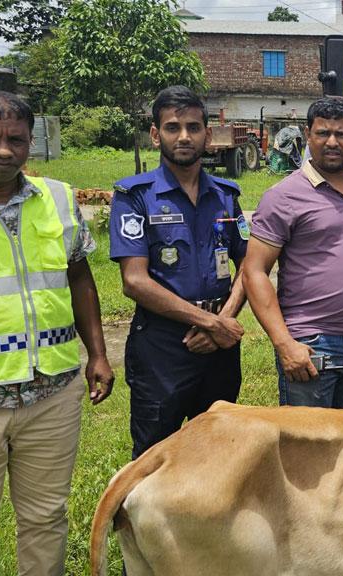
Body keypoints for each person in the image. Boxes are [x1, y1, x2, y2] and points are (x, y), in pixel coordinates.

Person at [0, 90, 114, 575]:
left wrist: (97, 354)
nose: (3, 150)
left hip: (52, 394)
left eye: (16, 139)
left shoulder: (57, 197)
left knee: (45, 519)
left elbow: (79, 276)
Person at [110, 86, 247, 458]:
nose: (184, 136)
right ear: (155, 135)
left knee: (218, 452)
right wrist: (210, 323)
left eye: (193, 127)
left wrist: (222, 322)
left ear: (207, 133)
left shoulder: (226, 196)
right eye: (172, 128)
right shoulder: (134, 196)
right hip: (163, 345)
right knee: (155, 454)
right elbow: (134, 281)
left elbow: (249, 264)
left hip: (218, 345)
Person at [245, 98, 343, 408]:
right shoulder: (284, 196)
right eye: (323, 133)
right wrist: (284, 344)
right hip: (310, 346)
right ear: (308, 135)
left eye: (342, 134)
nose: (332, 142)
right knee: (306, 452)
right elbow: (254, 272)